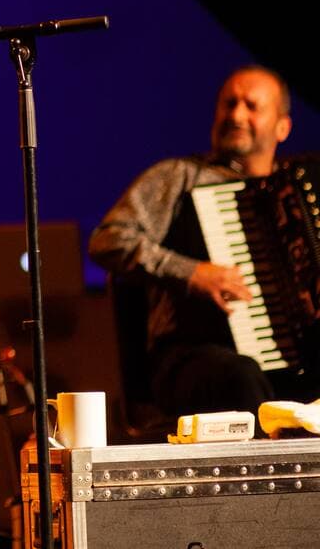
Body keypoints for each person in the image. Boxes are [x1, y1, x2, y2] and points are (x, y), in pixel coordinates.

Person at [89, 65, 319, 419]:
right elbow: (108, 239)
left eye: (251, 106)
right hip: (191, 357)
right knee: (240, 377)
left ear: (282, 126)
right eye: (229, 104)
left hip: (296, 364)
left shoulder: (302, 193)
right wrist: (191, 272)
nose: (237, 114)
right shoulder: (180, 177)